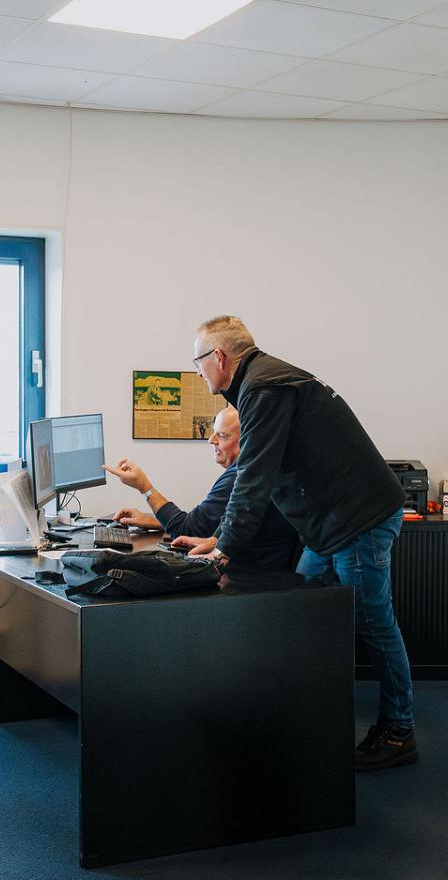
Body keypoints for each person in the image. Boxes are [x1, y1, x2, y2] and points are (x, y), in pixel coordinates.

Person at [177, 316, 418, 771]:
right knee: (299, 612)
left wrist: (223, 548)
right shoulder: (264, 380)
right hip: (330, 525)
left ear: (220, 359)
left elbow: (254, 475)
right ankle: (304, 720)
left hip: (357, 521)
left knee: (374, 621)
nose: (199, 372)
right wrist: (219, 537)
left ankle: (399, 732)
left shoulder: (263, 388)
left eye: (199, 363)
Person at [101, 407, 297, 570]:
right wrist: (154, 521)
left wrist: (144, 486)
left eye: (221, 435)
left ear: (248, 440)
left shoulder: (239, 478)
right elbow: (211, 524)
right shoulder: (254, 470)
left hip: (251, 579)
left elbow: (188, 528)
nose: (211, 440)